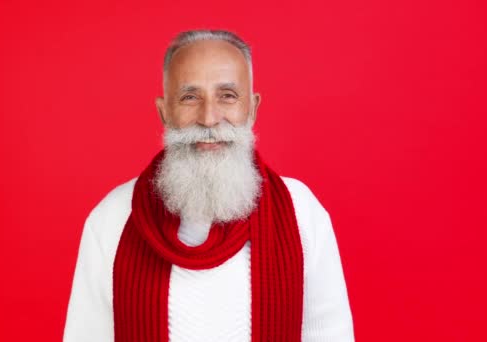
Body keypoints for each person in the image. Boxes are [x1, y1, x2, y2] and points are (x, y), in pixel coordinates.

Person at [63, 29, 354, 342]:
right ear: (164, 112)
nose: (209, 118)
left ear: (252, 108)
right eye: (190, 97)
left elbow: (330, 334)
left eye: (227, 96)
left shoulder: (302, 212)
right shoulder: (112, 218)